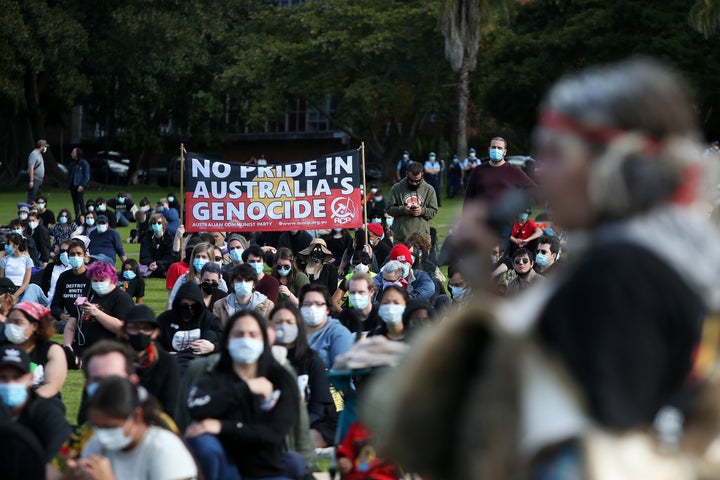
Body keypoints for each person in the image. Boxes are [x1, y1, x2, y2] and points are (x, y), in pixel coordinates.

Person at [185, 310, 298, 480]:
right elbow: (196, 405)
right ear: (228, 340)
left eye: (253, 334)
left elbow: (274, 433)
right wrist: (245, 388)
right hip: (225, 468)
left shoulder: (281, 379)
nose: (246, 339)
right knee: (202, 442)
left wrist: (222, 426)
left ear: (264, 340)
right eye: (239, 334)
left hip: (266, 470)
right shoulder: (215, 376)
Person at [70, 376, 197, 479]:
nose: (102, 435)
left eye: (110, 427)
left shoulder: (164, 448)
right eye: (97, 426)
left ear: (137, 416)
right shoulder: (96, 445)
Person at [270, 301, 338, 450]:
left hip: (306, 422)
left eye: (289, 322)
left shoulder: (312, 360)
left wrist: (296, 427)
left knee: (338, 423)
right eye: (278, 322)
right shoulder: (263, 359)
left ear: (298, 326)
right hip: (269, 423)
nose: (284, 326)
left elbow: (317, 409)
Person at [0, 343, 70, 463]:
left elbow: (59, 457)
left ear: (31, 379)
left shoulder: (48, 413)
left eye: (17, 377)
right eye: (3, 377)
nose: (10, 383)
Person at [120, 305, 180, 418]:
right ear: (124, 331)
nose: (140, 332)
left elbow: (170, 407)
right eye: (134, 328)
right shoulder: (112, 360)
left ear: (154, 333)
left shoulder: (167, 362)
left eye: (146, 328)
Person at [4, 302, 67, 399]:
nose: (12, 326)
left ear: (35, 326)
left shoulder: (52, 350)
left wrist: (22, 401)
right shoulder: (3, 347)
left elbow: (52, 386)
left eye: (18, 322)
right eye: (9, 321)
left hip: (42, 405)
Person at [72, 261, 134, 359]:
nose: (98, 284)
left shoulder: (122, 298)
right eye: (95, 281)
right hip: (83, 346)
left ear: (112, 279)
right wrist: (67, 346)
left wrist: (97, 313)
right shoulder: (88, 294)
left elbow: (122, 329)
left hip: (109, 349)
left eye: (102, 280)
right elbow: (71, 323)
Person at [157, 281, 223, 373]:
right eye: (185, 306)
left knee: (210, 335)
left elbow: (226, 343)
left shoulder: (209, 320)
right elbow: (152, 341)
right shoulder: (165, 319)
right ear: (178, 304)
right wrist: (163, 354)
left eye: (193, 306)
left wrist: (213, 347)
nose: (189, 309)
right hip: (169, 364)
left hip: (199, 365)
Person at [463, 136, 536, 208]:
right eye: (493, 147)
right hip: (482, 218)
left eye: (499, 148)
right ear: (489, 150)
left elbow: (532, 188)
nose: (496, 150)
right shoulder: (478, 170)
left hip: (506, 218)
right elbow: (468, 198)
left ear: (504, 152)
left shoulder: (513, 170)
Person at [54, 239, 91, 368]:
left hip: (86, 319)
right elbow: (55, 304)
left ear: (85, 256)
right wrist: (61, 315)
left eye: (78, 254)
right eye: (72, 254)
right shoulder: (64, 277)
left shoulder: (91, 276)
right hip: (66, 319)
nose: (75, 257)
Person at [300, 284, 353, 370]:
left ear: (327, 309)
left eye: (318, 304)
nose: (312, 308)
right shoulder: (295, 331)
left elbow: (342, 373)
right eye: (307, 304)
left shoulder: (339, 333)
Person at [385, 161, 438, 243]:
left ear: (422, 175)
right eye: (411, 180)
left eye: (417, 181)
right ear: (407, 174)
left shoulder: (429, 189)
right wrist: (403, 210)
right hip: (401, 238)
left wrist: (421, 211)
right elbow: (389, 209)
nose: (414, 183)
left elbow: (433, 211)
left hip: (422, 238)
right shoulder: (397, 188)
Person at [168, 242, 227, 307]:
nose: (200, 259)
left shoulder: (219, 281)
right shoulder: (183, 279)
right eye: (197, 256)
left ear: (211, 259)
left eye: (204, 257)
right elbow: (172, 301)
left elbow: (225, 302)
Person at [0, 233, 48, 305]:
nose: (6, 246)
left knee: (33, 288)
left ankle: (49, 306)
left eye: (8, 243)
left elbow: (26, 282)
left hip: (22, 291)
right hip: (7, 291)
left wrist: (14, 296)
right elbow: (2, 279)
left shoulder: (27, 260)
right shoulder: (4, 260)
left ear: (16, 245)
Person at [139, 213, 174, 278]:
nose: (156, 225)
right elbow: (143, 256)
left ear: (163, 224)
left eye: (159, 223)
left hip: (163, 264)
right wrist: (150, 263)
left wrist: (158, 263)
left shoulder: (169, 238)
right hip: (149, 265)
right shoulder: (147, 238)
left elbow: (169, 256)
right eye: (154, 223)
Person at [67, 147, 90, 218]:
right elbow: (70, 175)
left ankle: (83, 215)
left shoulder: (84, 163)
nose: (71, 154)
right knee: (75, 202)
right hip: (73, 185)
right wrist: (69, 185)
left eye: (73, 152)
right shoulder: (72, 164)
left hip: (79, 185)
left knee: (80, 201)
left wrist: (82, 185)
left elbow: (86, 175)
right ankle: (77, 216)